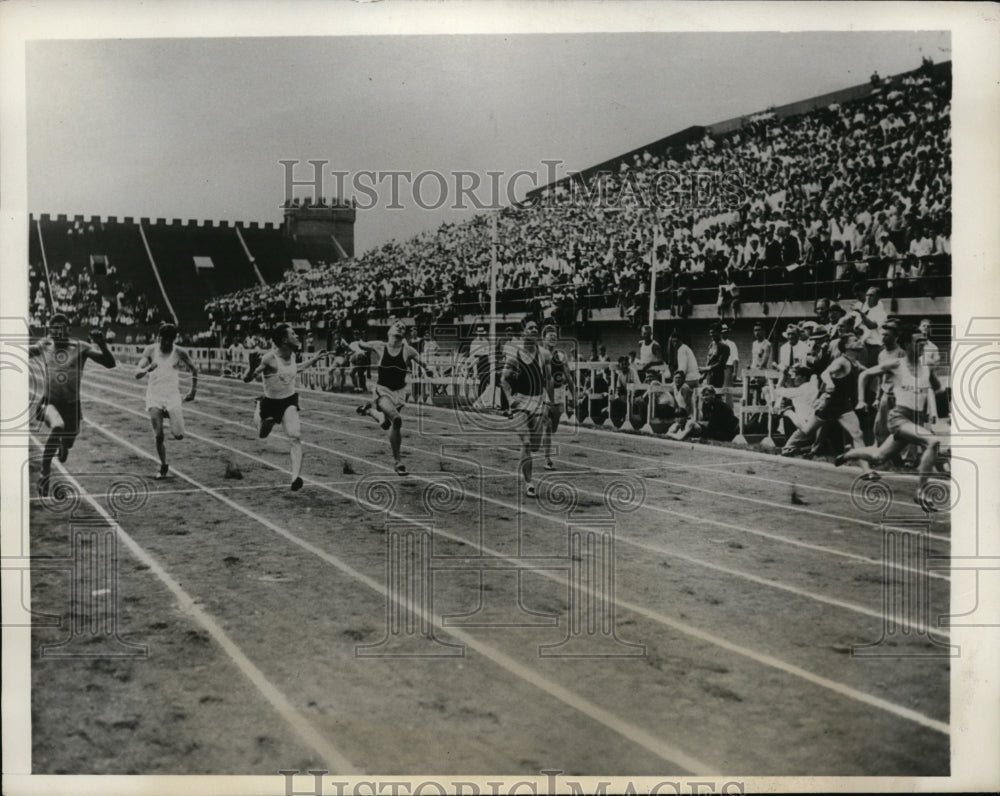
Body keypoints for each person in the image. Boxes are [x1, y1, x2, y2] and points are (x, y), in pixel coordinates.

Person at [837, 323, 946, 511]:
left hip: (915, 420)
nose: (923, 345)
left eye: (924, 342)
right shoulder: (897, 364)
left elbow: (939, 389)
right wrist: (861, 400)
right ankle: (921, 492)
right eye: (918, 342)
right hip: (899, 419)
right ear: (907, 345)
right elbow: (865, 375)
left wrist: (936, 399)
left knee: (879, 456)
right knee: (933, 441)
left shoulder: (926, 368)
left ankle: (848, 454)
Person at [29, 313, 116, 496]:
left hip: (72, 406)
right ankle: (45, 471)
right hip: (49, 402)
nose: (57, 333)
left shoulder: (81, 347)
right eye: (54, 329)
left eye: (61, 329)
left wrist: (101, 344)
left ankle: (64, 445)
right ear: (50, 331)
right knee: (57, 426)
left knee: (68, 442)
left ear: (68, 330)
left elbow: (110, 364)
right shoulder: (44, 345)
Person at [244, 325, 330, 490]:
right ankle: (258, 406)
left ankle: (295, 478)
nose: (297, 336)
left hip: (289, 401)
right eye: (293, 334)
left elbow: (297, 368)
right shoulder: (269, 358)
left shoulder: (292, 355)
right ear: (284, 340)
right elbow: (248, 379)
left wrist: (314, 359)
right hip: (270, 403)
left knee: (295, 436)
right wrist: (251, 368)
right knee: (262, 434)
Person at [782, 332, 873, 474]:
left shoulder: (856, 363)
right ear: (847, 346)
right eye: (855, 340)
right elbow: (825, 373)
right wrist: (830, 383)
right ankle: (788, 445)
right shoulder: (841, 361)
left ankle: (866, 470)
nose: (860, 341)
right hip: (829, 403)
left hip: (843, 405)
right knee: (808, 430)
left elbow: (869, 372)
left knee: (857, 433)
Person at [354, 321, 433, 476]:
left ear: (404, 334)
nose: (400, 327)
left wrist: (428, 369)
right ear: (389, 331)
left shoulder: (408, 350)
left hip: (399, 393)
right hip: (382, 391)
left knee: (386, 423)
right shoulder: (379, 346)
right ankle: (398, 462)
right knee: (396, 419)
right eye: (397, 325)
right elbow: (361, 344)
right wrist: (357, 345)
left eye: (403, 327)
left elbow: (423, 363)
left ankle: (369, 411)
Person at [134, 323, 198, 479]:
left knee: (179, 435)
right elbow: (137, 373)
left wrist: (193, 391)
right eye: (163, 340)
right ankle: (163, 465)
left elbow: (194, 369)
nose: (165, 344)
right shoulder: (150, 350)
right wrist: (148, 369)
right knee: (158, 435)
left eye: (169, 341)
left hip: (172, 396)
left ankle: (169, 413)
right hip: (154, 396)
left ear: (173, 340)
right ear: (158, 338)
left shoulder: (179, 352)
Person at [500, 319, 553, 498]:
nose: (534, 330)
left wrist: (548, 401)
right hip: (520, 401)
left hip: (537, 400)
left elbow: (548, 380)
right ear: (523, 332)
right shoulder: (514, 354)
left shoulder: (544, 354)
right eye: (530, 328)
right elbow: (504, 379)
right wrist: (510, 399)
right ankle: (529, 483)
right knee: (527, 442)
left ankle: (526, 461)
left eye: (536, 328)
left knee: (535, 446)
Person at [540, 324, 577, 471]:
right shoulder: (538, 354)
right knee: (547, 425)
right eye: (550, 337)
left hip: (559, 393)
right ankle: (547, 459)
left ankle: (542, 435)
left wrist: (574, 395)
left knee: (553, 427)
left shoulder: (561, 355)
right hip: (543, 392)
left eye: (555, 337)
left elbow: (569, 376)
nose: (552, 339)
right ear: (543, 338)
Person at [667, 384, 738, 442]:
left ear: (713, 395)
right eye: (703, 395)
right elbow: (707, 421)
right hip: (718, 428)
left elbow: (712, 424)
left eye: (707, 395)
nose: (704, 397)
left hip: (729, 429)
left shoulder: (719, 405)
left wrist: (702, 437)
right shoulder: (707, 405)